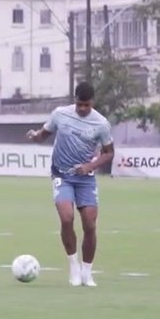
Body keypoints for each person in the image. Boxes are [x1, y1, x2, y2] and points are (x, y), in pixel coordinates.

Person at [27, 81, 114, 287]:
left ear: (92, 102)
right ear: (74, 100)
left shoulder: (101, 124)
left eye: (87, 105)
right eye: (79, 104)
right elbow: (43, 135)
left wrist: (90, 165)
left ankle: (87, 273)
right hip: (62, 175)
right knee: (67, 218)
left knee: (90, 224)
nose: (83, 109)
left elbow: (109, 153)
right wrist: (35, 136)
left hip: (85, 179)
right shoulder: (60, 114)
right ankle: (73, 267)